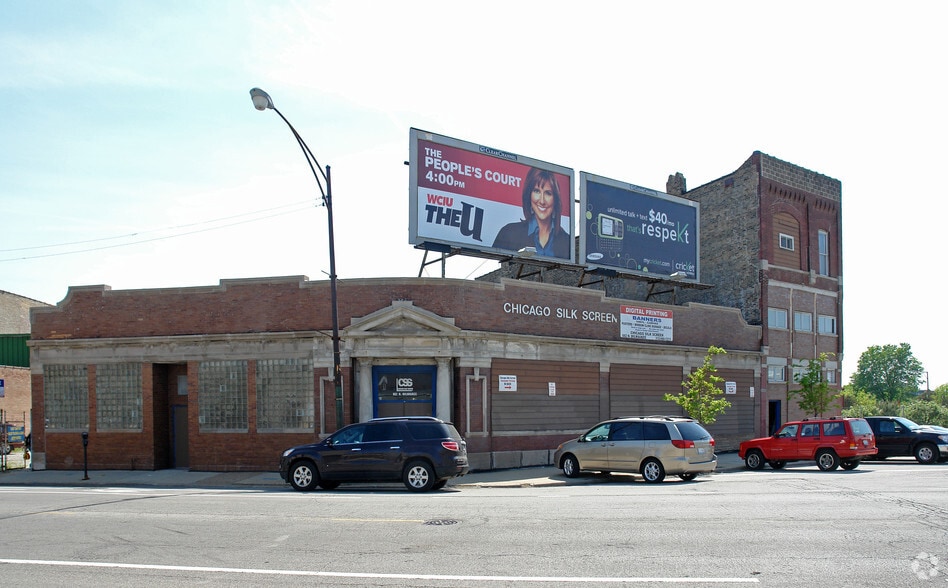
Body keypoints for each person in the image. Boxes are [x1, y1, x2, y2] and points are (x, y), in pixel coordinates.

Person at [492, 167, 570, 258]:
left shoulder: (567, 242)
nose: (542, 201)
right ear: (529, 195)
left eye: (548, 193)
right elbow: (493, 262)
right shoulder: (508, 233)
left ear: (555, 199)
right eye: (537, 191)